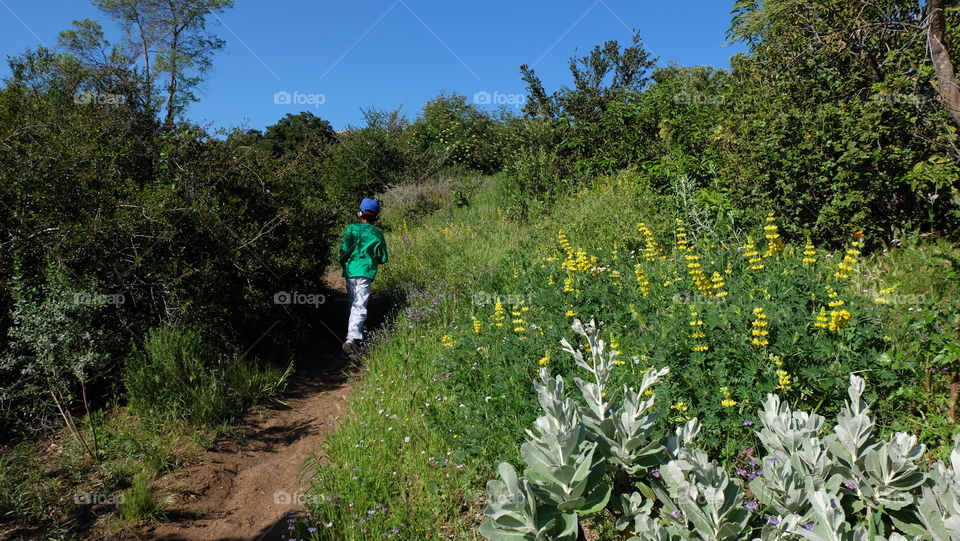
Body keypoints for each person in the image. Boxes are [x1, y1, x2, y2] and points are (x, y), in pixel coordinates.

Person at [339, 198, 388, 356]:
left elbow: (344, 251)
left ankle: (356, 333)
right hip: (366, 272)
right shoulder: (378, 233)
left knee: (354, 302)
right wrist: (376, 260)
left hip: (351, 271)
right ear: (376, 216)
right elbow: (384, 258)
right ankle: (352, 339)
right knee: (360, 304)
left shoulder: (351, 229)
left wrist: (345, 262)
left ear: (360, 213)